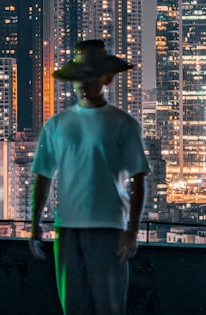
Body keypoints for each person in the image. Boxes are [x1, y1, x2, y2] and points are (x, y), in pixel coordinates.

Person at [30, 40, 150, 315]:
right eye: (80, 77)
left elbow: (138, 179)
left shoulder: (123, 124)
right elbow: (43, 176)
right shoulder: (57, 125)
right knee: (72, 306)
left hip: (109, 228)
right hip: (67, 227)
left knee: (110, 306)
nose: (84, 83)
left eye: (91, 76)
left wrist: (131, 231)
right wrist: (34, 223)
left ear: (106, 78)